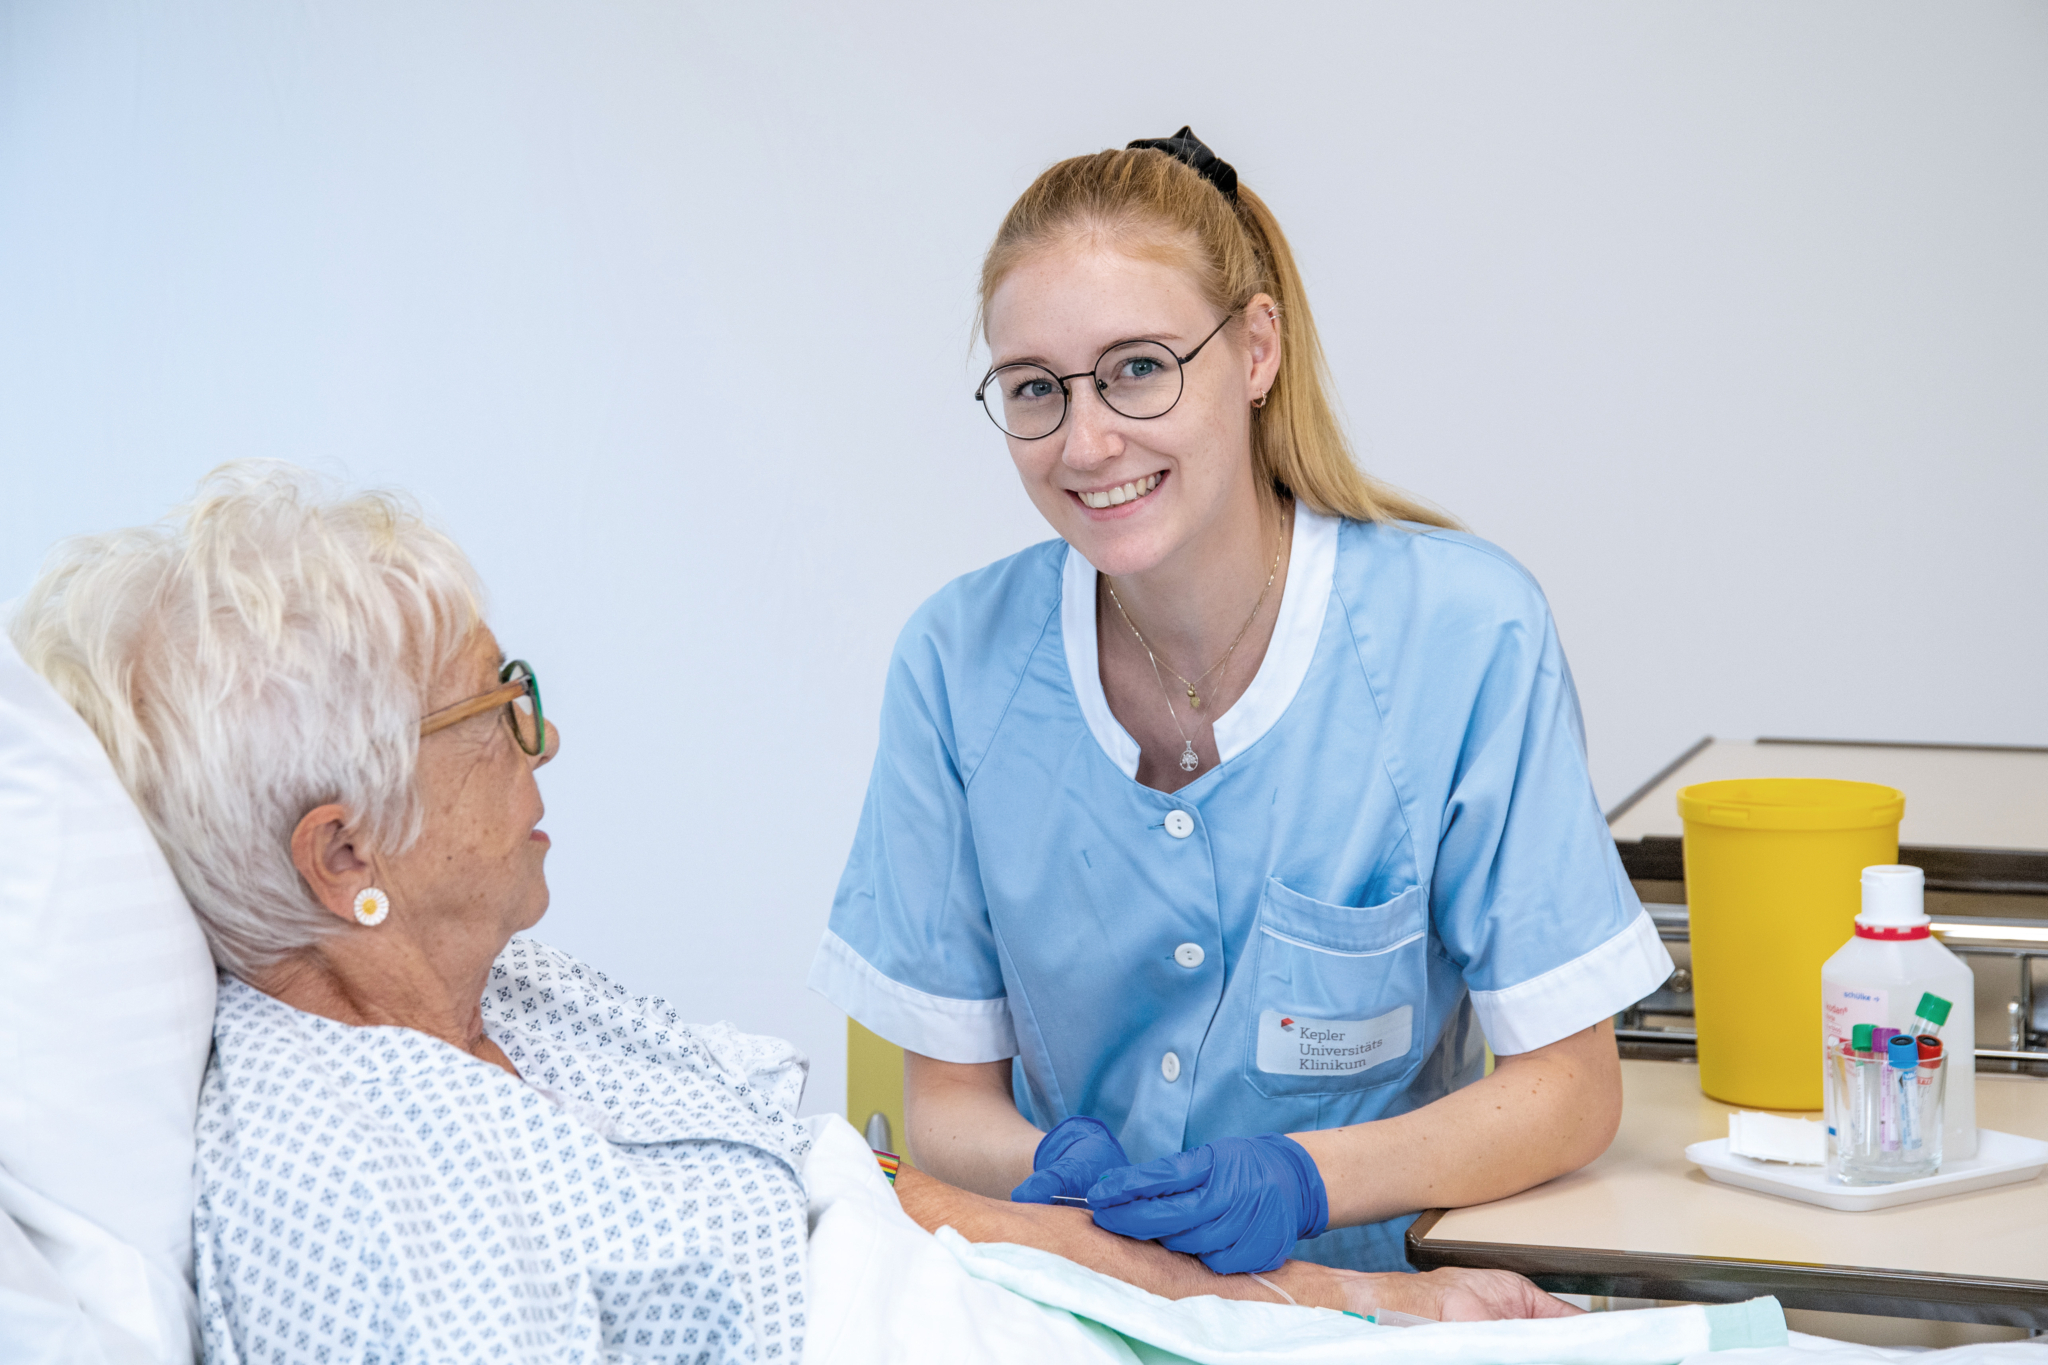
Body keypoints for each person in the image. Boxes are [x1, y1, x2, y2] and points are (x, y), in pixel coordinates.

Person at [10, 464, 1567, 1365]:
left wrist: (1326, 1294)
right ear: (345, 845)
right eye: (498, 706)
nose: (545, 741)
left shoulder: (523, 1004)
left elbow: (875, 1203)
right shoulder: (342, 1179)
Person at [808, 128, 1675, 1276]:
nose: (1087, 439)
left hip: (1375, 1309)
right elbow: (946, 1110)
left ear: (1254, 347)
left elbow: (1568, 1092)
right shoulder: (955, 665)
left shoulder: (1460, 638)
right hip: (1080, 1292)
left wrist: (1305, 1179)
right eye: (1033, 389)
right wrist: (1053, 1176)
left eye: (1137, 366)